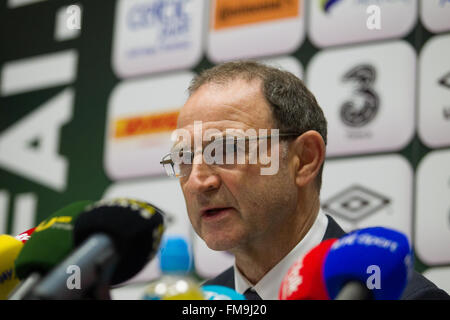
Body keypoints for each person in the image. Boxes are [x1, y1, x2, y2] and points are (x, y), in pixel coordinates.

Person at [160, 60, 449, 300]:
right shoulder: (205, 299)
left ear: (305, 159)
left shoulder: (405, 297)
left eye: (226, 150)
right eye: (184, 158)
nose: (198, 181)